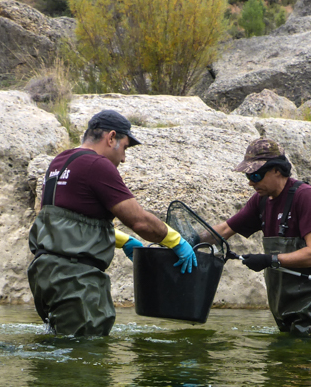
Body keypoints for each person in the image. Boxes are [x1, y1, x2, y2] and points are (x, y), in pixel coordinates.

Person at [27, 109, 198, 336]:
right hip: (75, 279)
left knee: (57, 349)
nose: (124, 158)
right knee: (86, 356)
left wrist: (123, 240)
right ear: (111, 138)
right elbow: (139, 221)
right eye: (125, 147)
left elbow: (60, 224)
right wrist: (175, 241)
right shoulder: (97, 165)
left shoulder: (58, 164)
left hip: (44, 275)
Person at [207, 139, 311, 336]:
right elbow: (224, 230)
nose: (251, 182)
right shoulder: (260, 201)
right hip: (282, 305)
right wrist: (183, 242)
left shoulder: (304, 196)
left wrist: (270, 260)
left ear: (277, 170)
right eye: (248, 176)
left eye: (256, 175)